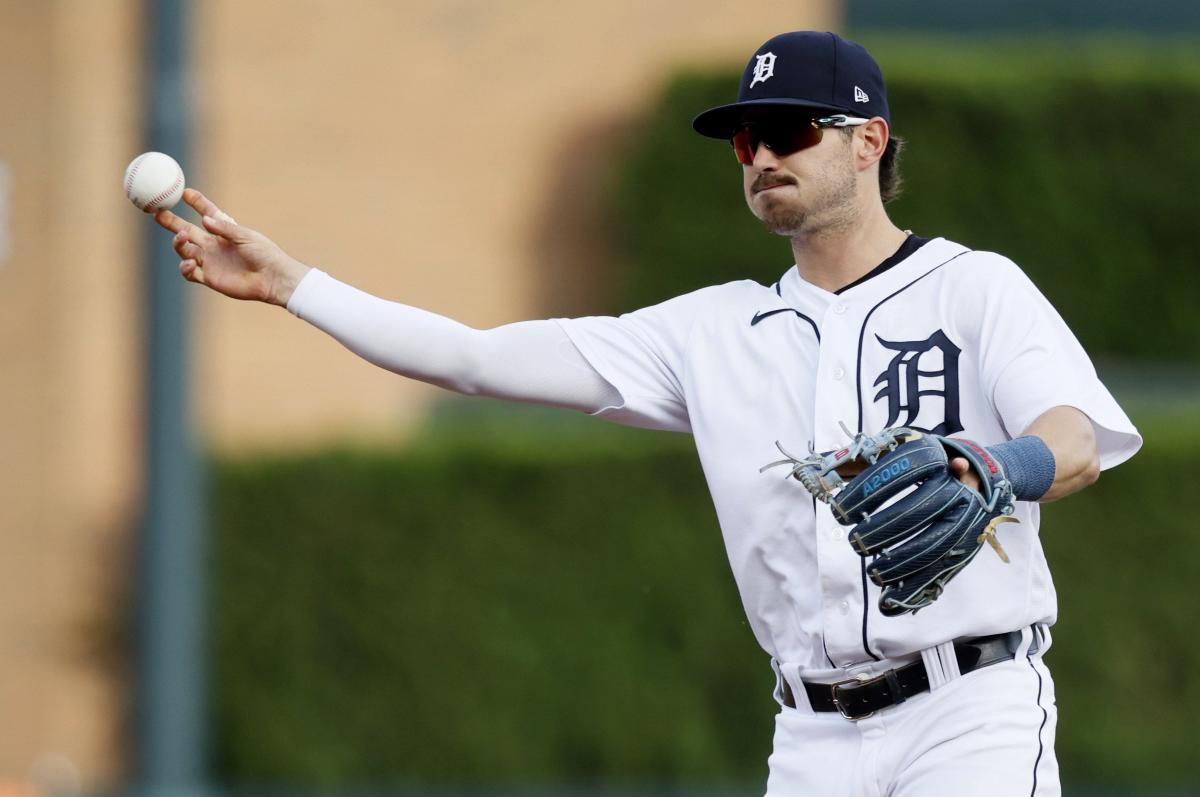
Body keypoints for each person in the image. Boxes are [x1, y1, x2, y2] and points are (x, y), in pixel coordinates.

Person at [154, 30, 1140, 797]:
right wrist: (295, 285)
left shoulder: (974, 288)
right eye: (747, 138)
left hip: (971, 709)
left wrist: (994, 466)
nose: (759, 154)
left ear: (869, 140)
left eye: (790, 130)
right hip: (812, 733)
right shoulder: (711, 332)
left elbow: (1080, 433)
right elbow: (475, 358)